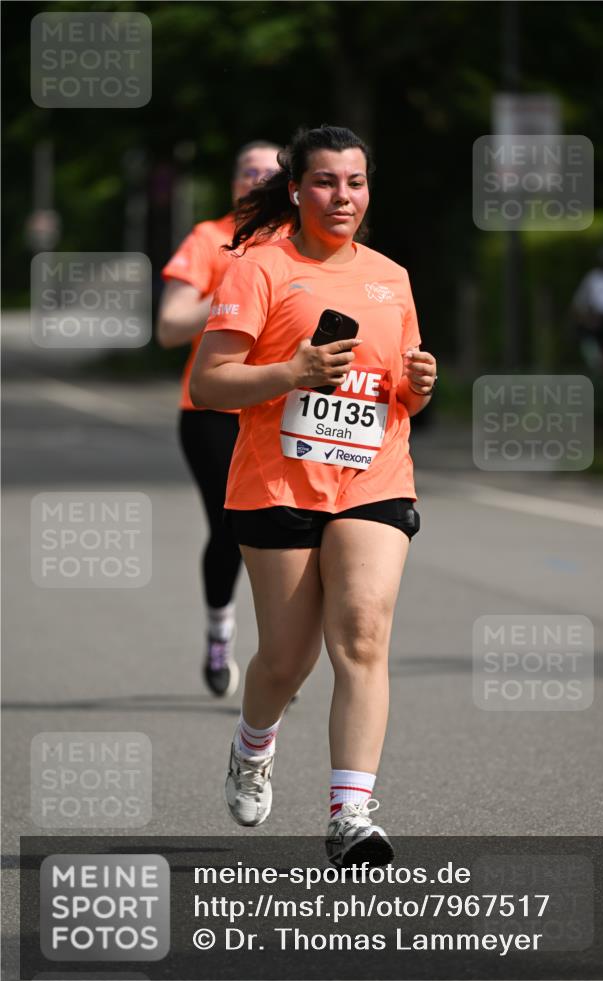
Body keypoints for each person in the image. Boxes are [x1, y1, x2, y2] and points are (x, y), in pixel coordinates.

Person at [190, 125, 437, 868]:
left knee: (361, 633)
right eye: (325, 182)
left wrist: (418, 389)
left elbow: (398, 390)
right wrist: (290, 372)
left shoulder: (390, 276)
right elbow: (208, 383)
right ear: (295, 190)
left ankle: (350, 814)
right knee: (284, 661)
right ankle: (252, 747)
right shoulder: (257, 269)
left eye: (355, 182)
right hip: (277, 482)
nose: (342, 196)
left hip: (373, 478)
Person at [157, 141, 280, 696]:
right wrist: (232, 294)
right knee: (230, 528)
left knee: (285, 533)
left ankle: (279, 652)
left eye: (269, 173)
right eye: (248, 172)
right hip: (211, 410)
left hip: (281, 406)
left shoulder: (297, 244)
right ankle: (218, 633)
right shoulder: (210, 239)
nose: (257, 181)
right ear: (234, 183)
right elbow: (169, 326)